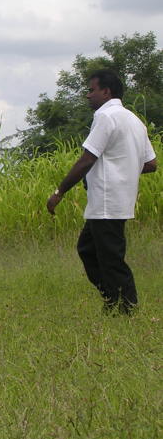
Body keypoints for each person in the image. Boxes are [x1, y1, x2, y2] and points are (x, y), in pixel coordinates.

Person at [47, 70, 157, 315]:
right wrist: (125, 166)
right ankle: (113, 299)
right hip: (115, 200)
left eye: (92, 90)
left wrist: (60, 191)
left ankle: (125, 308)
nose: (88, 95)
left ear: (106, 92)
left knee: (110, 259)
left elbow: (87, 159)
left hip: (107, 200)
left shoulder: (106, 117)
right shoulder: (133, 120)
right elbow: (150, 164)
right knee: (88, 250)